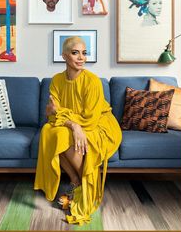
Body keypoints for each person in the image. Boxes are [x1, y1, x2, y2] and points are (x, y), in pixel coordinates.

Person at [34, 36, 122, 225]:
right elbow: (51, 115)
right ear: (64, 56)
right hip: (77, 123)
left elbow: (89, 118)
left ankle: (84, 185)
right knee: (50, 131)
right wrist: (73, 125)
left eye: (84, 53)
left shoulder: (93, 81)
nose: (81, 57)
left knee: (60, 131)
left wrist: (64, 116)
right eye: (75, 53)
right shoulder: (57, 80)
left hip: (101, 123)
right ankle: (77, 181)